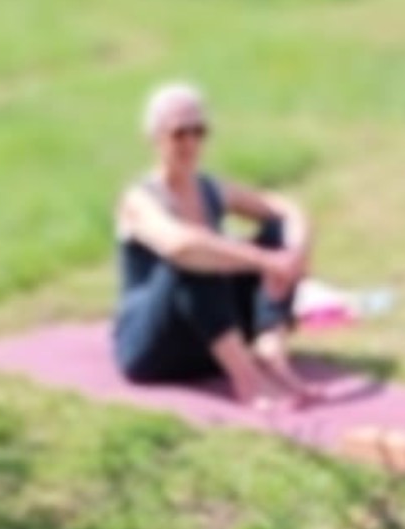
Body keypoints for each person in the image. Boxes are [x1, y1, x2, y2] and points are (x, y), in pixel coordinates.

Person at [112, 82, 318, 409]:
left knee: (276, 234)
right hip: (151, 350)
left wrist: (296, 253)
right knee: (196, 256)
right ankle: (248, 382)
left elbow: (284, 210)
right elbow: (181, 244)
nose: (190, 142)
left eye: (199, 132)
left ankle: (270, 347)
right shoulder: (138, 200)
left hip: (209, 344)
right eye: (179, 133)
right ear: (155, 137)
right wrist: (263, 260)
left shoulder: (211, 188)